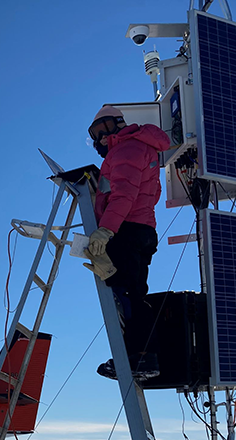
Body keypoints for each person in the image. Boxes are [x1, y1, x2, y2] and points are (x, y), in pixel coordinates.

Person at [86, 105, 171, 380]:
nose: (100, 139)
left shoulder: (125, 149)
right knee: (132, 292)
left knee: (128, 295)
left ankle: (142, 357)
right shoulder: (142, 148)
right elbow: (148, 193)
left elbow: (124, 195)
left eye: (103, 129)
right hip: (142, 229)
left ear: (117, 125)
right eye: (94, 134)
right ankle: (138, 355)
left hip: (127, 230)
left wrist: (106, 230)